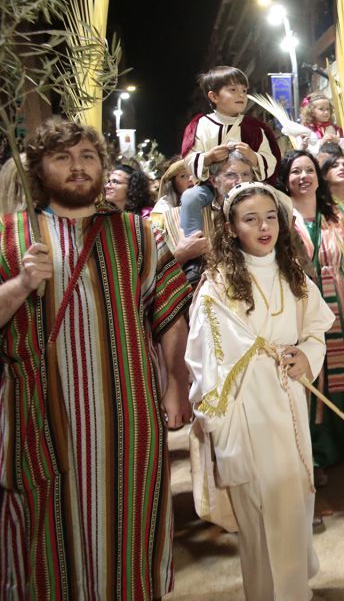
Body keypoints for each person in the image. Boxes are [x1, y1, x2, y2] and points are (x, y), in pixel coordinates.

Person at [0, 117, 192, 599]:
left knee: (128, 531)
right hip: (38, 418)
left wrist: (175, 383)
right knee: (43, 543)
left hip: (128, 423)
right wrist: (22, 284)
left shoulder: (136, 234)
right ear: (39, 168)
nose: (78, 167)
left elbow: (168, 312)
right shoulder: (10, 236)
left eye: (87, 156)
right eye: (62, 157)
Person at [187, 181, 334, 600]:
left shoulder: (293, 275)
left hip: (287, 398)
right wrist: (217, 422)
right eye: (250, 219)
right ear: (232, 228)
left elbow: (316, 330)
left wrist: (307, 356)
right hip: (245, 408)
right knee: (258, 509)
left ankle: (294, 591)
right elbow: (205, 357)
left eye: (270, 217)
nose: (264, 227)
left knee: (292, 500)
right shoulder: (217, 285)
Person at [274, 150, 344, 499]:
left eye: (309, 170)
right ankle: (317, 452)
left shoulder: (339, 215)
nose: (303, 177)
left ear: (319, 176)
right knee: (315, 373)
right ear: (286, 178)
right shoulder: (282, 219)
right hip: (304, 307)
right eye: (295, 171)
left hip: (340, 302)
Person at [179, 66, 280, 280]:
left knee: (282, 202)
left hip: (250, 189)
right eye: (233, 90)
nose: (241, 95)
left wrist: (253, 157)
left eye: (243, 90)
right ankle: (194, 257)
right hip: (210, 187)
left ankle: (281, 252)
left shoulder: (255, 128)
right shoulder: (201, 125)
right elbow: (188, 158)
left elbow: (271, 159)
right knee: (189, 197)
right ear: (213, 96)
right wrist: (208, 158)